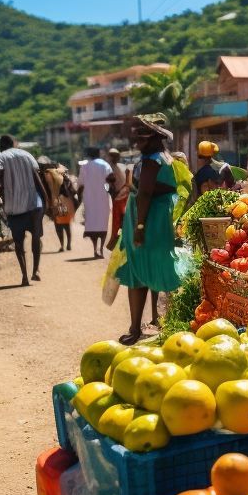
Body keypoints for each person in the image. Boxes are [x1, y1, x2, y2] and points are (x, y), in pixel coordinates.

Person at [115, 116, 189, 345]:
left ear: (155, 138)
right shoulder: (167, 157)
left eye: (141, 138)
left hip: (149, 220)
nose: (136, 142)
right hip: (159, 219)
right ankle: (164, 324)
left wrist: (139, 227)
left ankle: (135, 330)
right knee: (157, 270)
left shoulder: (151, 161)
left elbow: (145, 193)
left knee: (138, 275)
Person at [0, 135, 50, 286]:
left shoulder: (0, 157)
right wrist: (45, 201)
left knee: (18, 243)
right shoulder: (27, 155)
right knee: (36, 237)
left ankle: (24, 275)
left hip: (14, 206)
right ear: (13, 144)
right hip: (33, 204)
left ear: (1, 146)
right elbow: (37, 180)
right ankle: (35, 271)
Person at [75, 146, 113, 258]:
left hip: (90, 198)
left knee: (92, 223)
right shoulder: (105, 165)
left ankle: (95, 249)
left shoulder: (85, 167)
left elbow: (81, 182)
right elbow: (111, 179)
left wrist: (79, 196)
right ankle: (101, 248)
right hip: (103, 197)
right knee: (103, 223)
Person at [185, 140, 234, 211]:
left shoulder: (197, 176)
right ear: (214, 154)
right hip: (224, 207)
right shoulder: (225, 167)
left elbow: (195, 196)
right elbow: (231, 185)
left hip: (204, 209)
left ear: (199, 157)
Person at [42, 162, 77, 251]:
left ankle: (62, 245)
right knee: (66, 226)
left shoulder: (47, 179)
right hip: (65, 203)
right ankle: (68, 244)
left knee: (58, 226)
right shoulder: (64, 177)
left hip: (54, 204)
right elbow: (71, 191)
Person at [106, 148, 130, 250]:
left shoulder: (122, 167)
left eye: (115, 156)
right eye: (112, 156)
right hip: (117, 198)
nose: (113, 158)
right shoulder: (110, 168)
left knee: (125, 220)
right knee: (116, 222)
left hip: (124, 196)